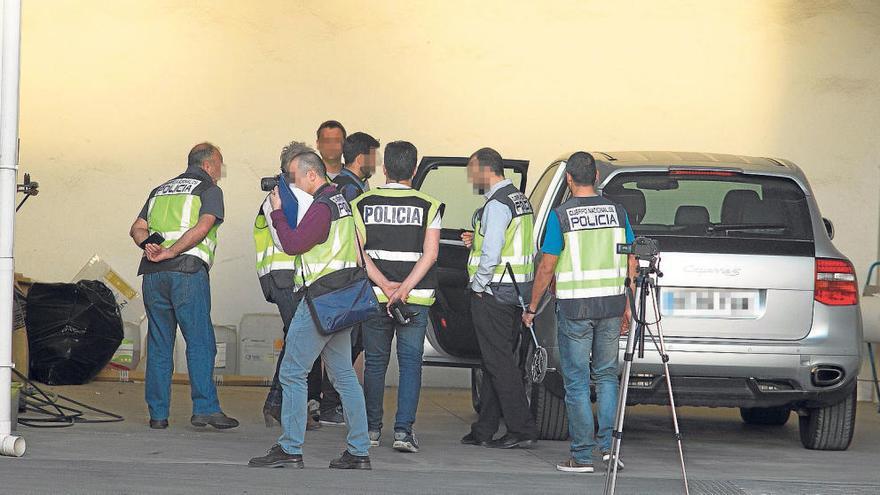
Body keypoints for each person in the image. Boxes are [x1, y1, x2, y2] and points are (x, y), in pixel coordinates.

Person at [249, 151, 371, 470]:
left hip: (320, 299)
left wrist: (277, 212)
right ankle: (359, 451)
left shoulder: (322, 207)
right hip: (343, 299)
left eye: (295, 176)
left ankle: (290, 448)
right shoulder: (344, 203)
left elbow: (293, 244)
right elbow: (361, 244)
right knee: (344, 374)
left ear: (312, 175)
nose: (292, 183)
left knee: (292, 371)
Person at [522, 152, 636, 473]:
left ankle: (582, 456)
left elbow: (547, 266)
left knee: (576, 383)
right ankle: (610, 450)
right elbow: (631, 260)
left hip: (575, 309)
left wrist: (532, 307)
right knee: (606, 377)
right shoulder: (617, 212)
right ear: (597, 175)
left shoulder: (562, 216)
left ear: (569, 179)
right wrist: (629, 303)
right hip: (611, 306)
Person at [128, 142, 239, 430]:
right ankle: (205, 409)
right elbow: (203, 227)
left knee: (159, 343)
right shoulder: (209, 189)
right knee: (200, 341)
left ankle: (158, 415)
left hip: (153, 276)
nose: (220, 172)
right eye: (220, 165)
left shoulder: (159, 190)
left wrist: (150, 247)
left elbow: (136, 228)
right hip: (186, 272)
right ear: (208, 164)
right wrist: (172, 251)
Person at [353, 140, 444, 453]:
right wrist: (404, 289)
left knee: (375, 363)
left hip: (376, 296)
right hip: (415, 298)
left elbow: (358, 254)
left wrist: (386, 286)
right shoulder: (429, 205)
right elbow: (430, 254)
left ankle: (371, 430)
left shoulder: (362, 203)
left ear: (384, 168)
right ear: (415, 170)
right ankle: (404, 432)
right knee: (410, 365)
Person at [459, 147, 538, 449]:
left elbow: (491, 254)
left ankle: (522, 427)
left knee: (500, 364)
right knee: (497, 360)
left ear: (485, 169)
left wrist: (478, 286)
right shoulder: (518, 199)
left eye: (472, 171)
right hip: (515, 291)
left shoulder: (496, 205)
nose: (470, 178)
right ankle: (485, 429)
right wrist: (473, 240)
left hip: (494, 291)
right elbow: (504, 243)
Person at [316, 130, 381, 426]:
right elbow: (353, 236)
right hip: (347, 275)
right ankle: (330, 404)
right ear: (361, 158)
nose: (377, 162)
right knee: (344, 340)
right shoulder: (348, 190)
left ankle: (330, 402)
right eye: (374, 156)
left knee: (348, 341)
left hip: (348, 274)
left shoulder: (352, 186)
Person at [255, 140, 321, 431]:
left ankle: (278, 404)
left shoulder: (296, 196)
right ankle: (281, 406)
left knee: (297, 337)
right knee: (299, 339)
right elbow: (286, 239)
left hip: (293, 276)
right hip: (284, 275)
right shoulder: (277, 197)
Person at [333, 131, 379, 201]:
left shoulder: (338, 181)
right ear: (360, 159)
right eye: (372, 158)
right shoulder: (351, 189)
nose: (374, 163)